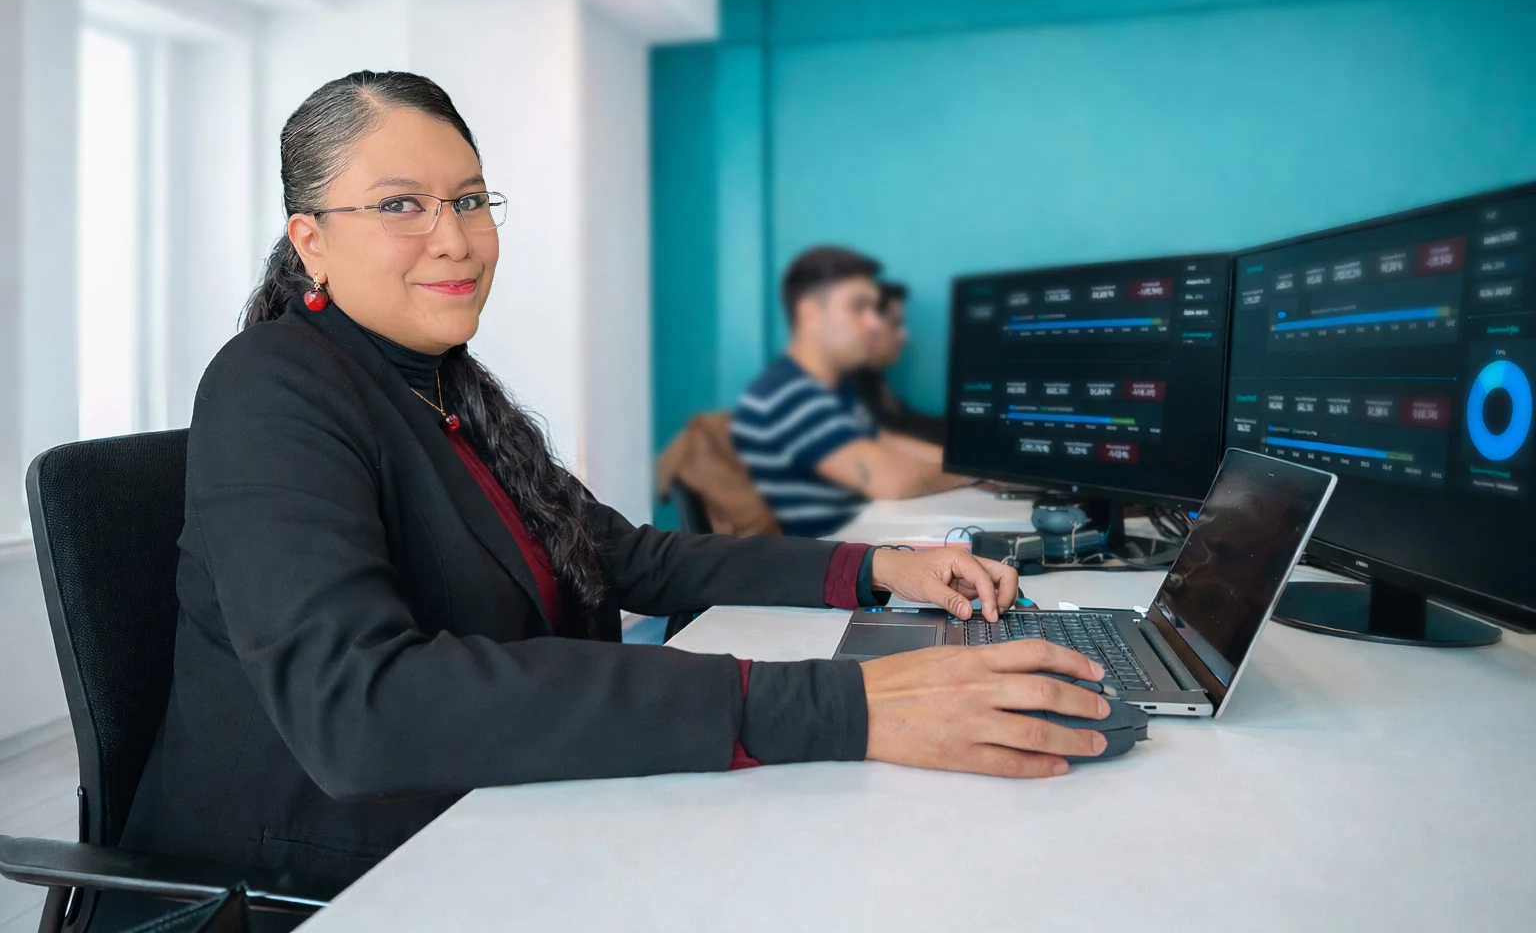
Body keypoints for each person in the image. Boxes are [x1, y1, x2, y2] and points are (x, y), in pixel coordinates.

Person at [107, 72, 1110, 924]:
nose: (454, 239)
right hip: (319, 877)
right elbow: (363, 707)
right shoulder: (272, 385)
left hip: (488, 814)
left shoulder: (446, 386)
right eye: (401, 204)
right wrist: (835, 703)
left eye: (469, 200)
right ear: (312, 240)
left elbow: (634, 557)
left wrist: (872, 569)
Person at [733, 247, 973, 538]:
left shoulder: (832, 388)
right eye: (858, 307)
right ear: (810, 315)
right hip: (818, 570)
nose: (874, 322)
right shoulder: (784, 393)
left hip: (855, 545)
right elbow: (889, 480)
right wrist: (972, 473)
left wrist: (974, 462)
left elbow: (887, 441)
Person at [849, 280, 947, 445]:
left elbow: (908, 423)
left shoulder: (872, 377)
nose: (904, 336)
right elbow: (894, 442)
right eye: (895, 324)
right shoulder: (849, 387)